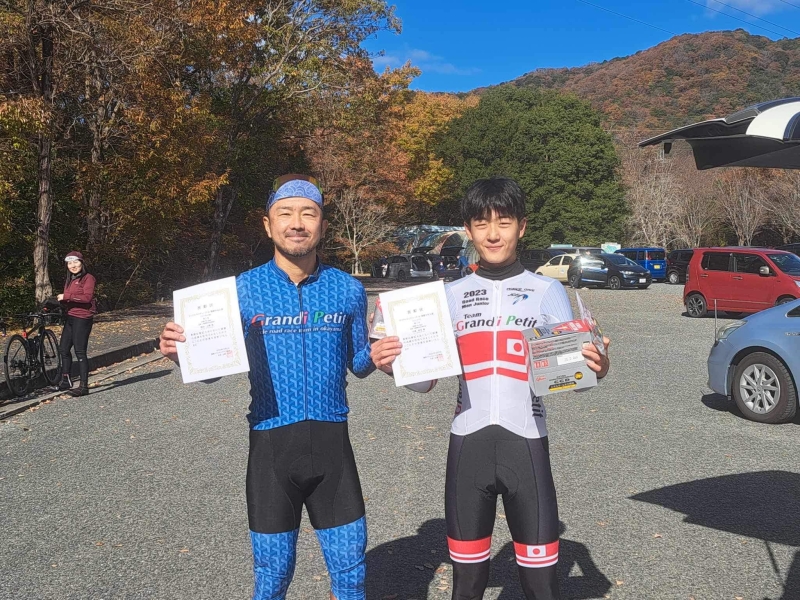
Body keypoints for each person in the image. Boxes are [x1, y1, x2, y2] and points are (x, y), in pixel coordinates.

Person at [370, 177, 611, 600]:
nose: (493, 234)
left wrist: (597, 367)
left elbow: (575, 379)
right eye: (482, 223)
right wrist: (393, 366)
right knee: (466, 585)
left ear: (522, 226)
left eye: (504, 222)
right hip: (469, 447)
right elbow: (425, 382)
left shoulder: (547, 291)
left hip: (527, 445)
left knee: (541, 586)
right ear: (468, 230)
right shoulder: (449, 295)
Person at [159, 174, 375, 600]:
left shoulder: (348, 289)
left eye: (308, 214)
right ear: (268, 224)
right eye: (285, 213)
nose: (297, 223)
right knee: (272, 576)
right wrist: (183, 356)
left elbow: (359, 363)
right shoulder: (240, 292)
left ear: (322, 225)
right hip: (271, 451)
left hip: (333, 449)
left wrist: (385, 357)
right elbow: (211, 370)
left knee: (352, 574)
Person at [57, 251, 97, 396]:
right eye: (69, 263)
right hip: (70, 317)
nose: (72, 266)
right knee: (63, 349)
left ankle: (83, 386)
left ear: (82, 262)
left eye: (75, 262)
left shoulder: (88, 278)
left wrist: (67, 296)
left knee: (80, 351)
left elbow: (87, 298)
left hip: (83, 318)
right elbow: (69, 299)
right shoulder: (70, 279)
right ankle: (65, 380)